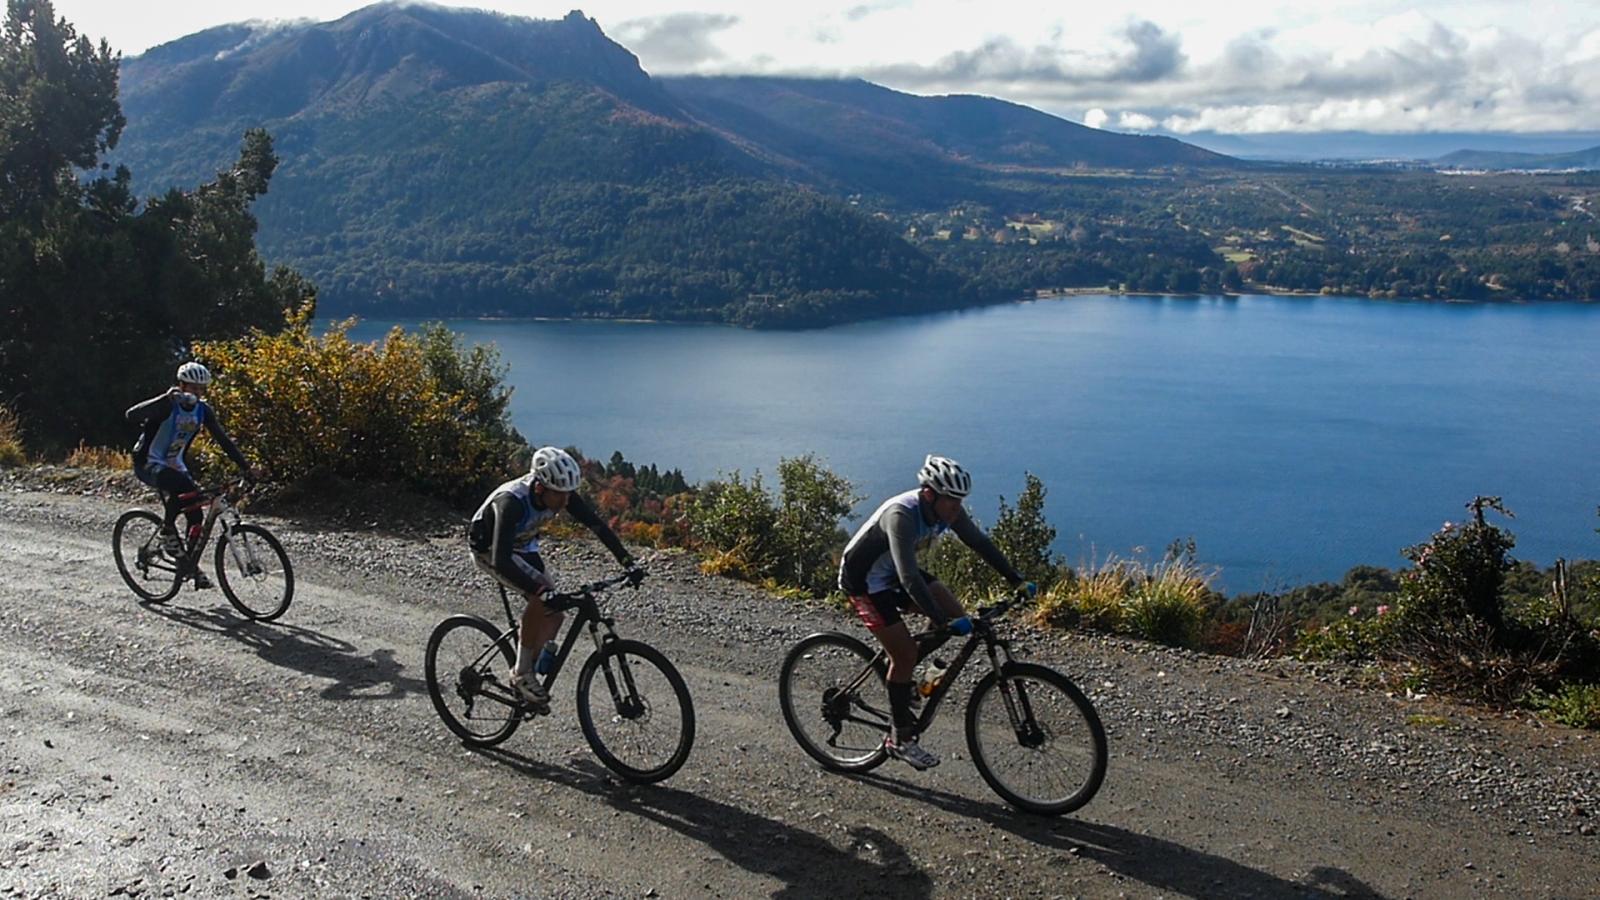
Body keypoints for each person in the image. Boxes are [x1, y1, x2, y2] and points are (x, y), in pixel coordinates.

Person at [838, 455, 1035, 770]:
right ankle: (899, 739)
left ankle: (902, 681)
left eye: (961, 501)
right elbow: (909, 578)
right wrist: (943, 622)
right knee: (907, 653)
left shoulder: (947, 510)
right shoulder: (901, 515)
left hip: (893, 573)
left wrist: (1016, 580)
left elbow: (979, 543)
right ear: (929, 495)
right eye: (952, 500)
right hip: (864, 581)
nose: (958, 508)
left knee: (955, 613)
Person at [468, 446, 643, 712]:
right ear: (540, 488)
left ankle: (528, 672)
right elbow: (501, 560)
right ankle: (521, 675)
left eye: (569, 493)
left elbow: (596, 525)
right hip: (490, 549)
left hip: (523, 545)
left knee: (556, 614)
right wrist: (540, 591)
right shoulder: (511, 502)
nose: (565, 501)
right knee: (541, 596)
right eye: (559, 495)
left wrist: (627, 561)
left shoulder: (560, 493)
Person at [126, 362, 262, 588]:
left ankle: (188, 564)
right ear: (181, 385)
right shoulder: (167, 405)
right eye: (193, 388)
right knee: (182, 485)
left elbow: (224, 441)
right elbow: (131, 415)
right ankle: (167, 532)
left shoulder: (203, 410)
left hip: (174, 463)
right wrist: (164, 398)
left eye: (201, 389)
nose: (197, 393)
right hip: (147, 462)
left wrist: (246, 468)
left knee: (196, 514)